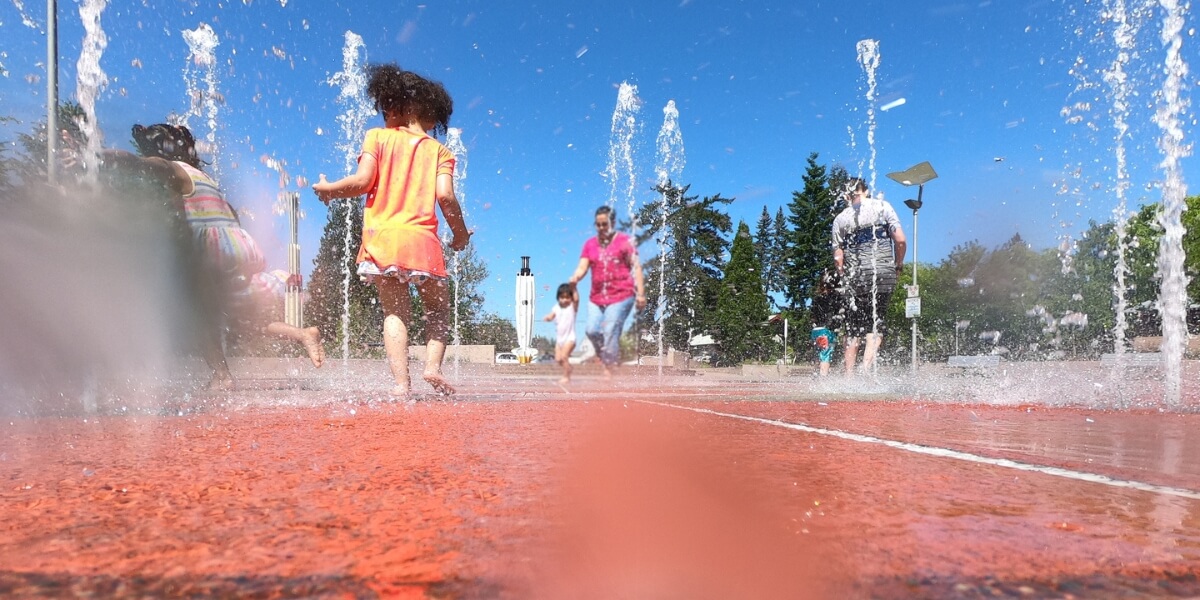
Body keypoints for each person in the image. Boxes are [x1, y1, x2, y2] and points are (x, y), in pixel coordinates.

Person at [96, 123, 325, 390]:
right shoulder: (203, 177)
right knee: (238, 316)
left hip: (213, 249)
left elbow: (136, 163)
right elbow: (229, 212)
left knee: (198, 314)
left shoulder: (175, 170)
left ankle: (222, 375)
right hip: (235, 244)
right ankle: (302, 334)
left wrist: (97, 155)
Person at [312, 64, 470, 398]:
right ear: (430, 114)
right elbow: (445, 196)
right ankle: (432, 367)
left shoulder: (377, 137)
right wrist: (460, 234)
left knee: (395, 313)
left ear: (401, 106)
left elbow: (362, 182)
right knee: (438, 310)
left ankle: (402, 385)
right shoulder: (440, 151)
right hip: (422, 243)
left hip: (383, 241)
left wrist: (329, 190)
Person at [831, 177, 906, 375]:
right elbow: (900, 240)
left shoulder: (841, 219)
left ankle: (848, 376)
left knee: (853, 326)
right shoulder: (883, 207)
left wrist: (842, 275)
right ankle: (865, 369)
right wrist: (898, 264)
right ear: (866, 190)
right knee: (876, 322)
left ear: (847, 195)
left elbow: (838, 257)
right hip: (884, 273)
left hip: (856, 277)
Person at [567, 206, 646, 380]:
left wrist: (641, 293)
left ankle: (609, 369)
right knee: (591, 330)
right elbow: (583, 266)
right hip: (596, 298)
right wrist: (575, 277)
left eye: (605, 224)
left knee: (610, 329)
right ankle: (609, 357)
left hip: (622, 295)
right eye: (598, 224)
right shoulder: (590, 244)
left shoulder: (625, 241)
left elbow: (637, 267)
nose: (601, 228)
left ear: (613, 223)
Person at [543, 283, 579, 385]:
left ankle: (566, 376)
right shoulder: (556, 307)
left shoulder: (572, 308)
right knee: (558, 359)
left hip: (570, 338)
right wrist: (548, 318)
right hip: (560, 340)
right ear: (558, 297)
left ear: (571, 298)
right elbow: (552, 315)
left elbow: (576, 300)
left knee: (564, 357)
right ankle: (569, 368)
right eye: (562, 297)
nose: (564, 300)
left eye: (567, 297)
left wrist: (574, 288)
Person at [809, 271, 841, 377]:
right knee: (825, 355)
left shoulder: (817, 298)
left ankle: (816, 375)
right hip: (826, 331)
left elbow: (812, 315)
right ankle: (823, 378)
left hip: (815, 331)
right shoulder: (835, 297)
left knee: (817, 354)